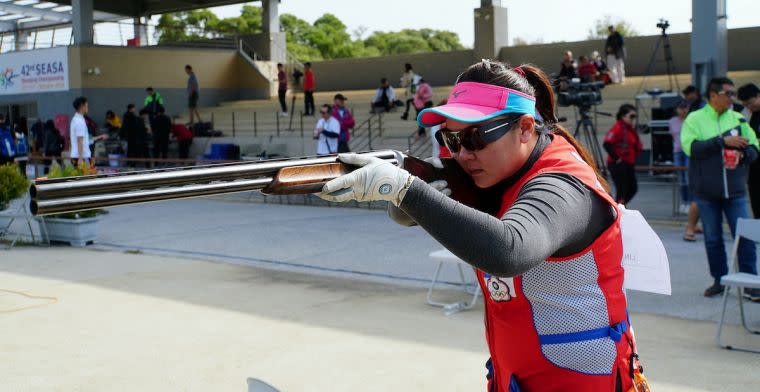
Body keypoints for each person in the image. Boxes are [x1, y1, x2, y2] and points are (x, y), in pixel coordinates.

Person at [318, 60, 645, 391]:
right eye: (451, 138)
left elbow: (509, 250)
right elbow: (416, 201)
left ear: (526, 129)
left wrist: (406, 191)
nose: (462, 154)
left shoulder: (563, 185)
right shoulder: (496, 174)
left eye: (475, 137)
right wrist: (407, 204)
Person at [681, 76, 760, 299]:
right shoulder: (694, 119)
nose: (732, 99)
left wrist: (745, 154)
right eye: (729, 94)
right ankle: (719, 280)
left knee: (744, 237)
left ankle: (750, 283)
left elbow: (755, 146)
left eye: (733, 94)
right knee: (713, 239)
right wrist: (722, 142)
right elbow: (691, 148)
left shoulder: (739, 119)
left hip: (735, 192)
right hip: (706, 193)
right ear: (713, 95)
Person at [669, 99, 701, 241]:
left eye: (685, 107)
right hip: (677, 150)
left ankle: (689, 202)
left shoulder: (692, 119)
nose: (683, 110)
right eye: (680, 108)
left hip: (688, 151)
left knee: (688, 177)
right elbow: (673, 135)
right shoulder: (672, 121)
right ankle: (684, 202)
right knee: (681, 177)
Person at [604, 104, 642, 205]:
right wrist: (618, 159)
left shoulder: (629, 129)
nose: (633, 119)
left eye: (635, 116)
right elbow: (607, 144)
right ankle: (618, 211)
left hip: (628, 163)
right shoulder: (618, 128)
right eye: (631, 116)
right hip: (619, 164)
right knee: (622, 191)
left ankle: (620, 208)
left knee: (633, 188)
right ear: (623, 116)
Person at [738, 83, 760, 218]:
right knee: (757, 206)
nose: (749, 108)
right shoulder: (753, 116)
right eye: (745, 105)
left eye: (750, 103)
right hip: (755, 170)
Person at [122, 103, 149, 168]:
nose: (134, 109)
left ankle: (131, 163)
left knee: (131, 150)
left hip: (130, 136)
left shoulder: (126, 116)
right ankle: (133, 164)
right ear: (131, 108)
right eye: (134, 108)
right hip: (134, 137)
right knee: (134, 151)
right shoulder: (133, 117)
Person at [69, 96, 91, 166]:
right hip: (81, 157)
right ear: (82, 106)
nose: (88, 107)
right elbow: (79, 140)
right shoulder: (79, 121)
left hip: (77, 156)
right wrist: (80, 158)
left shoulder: (76, 119)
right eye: (86, 105)